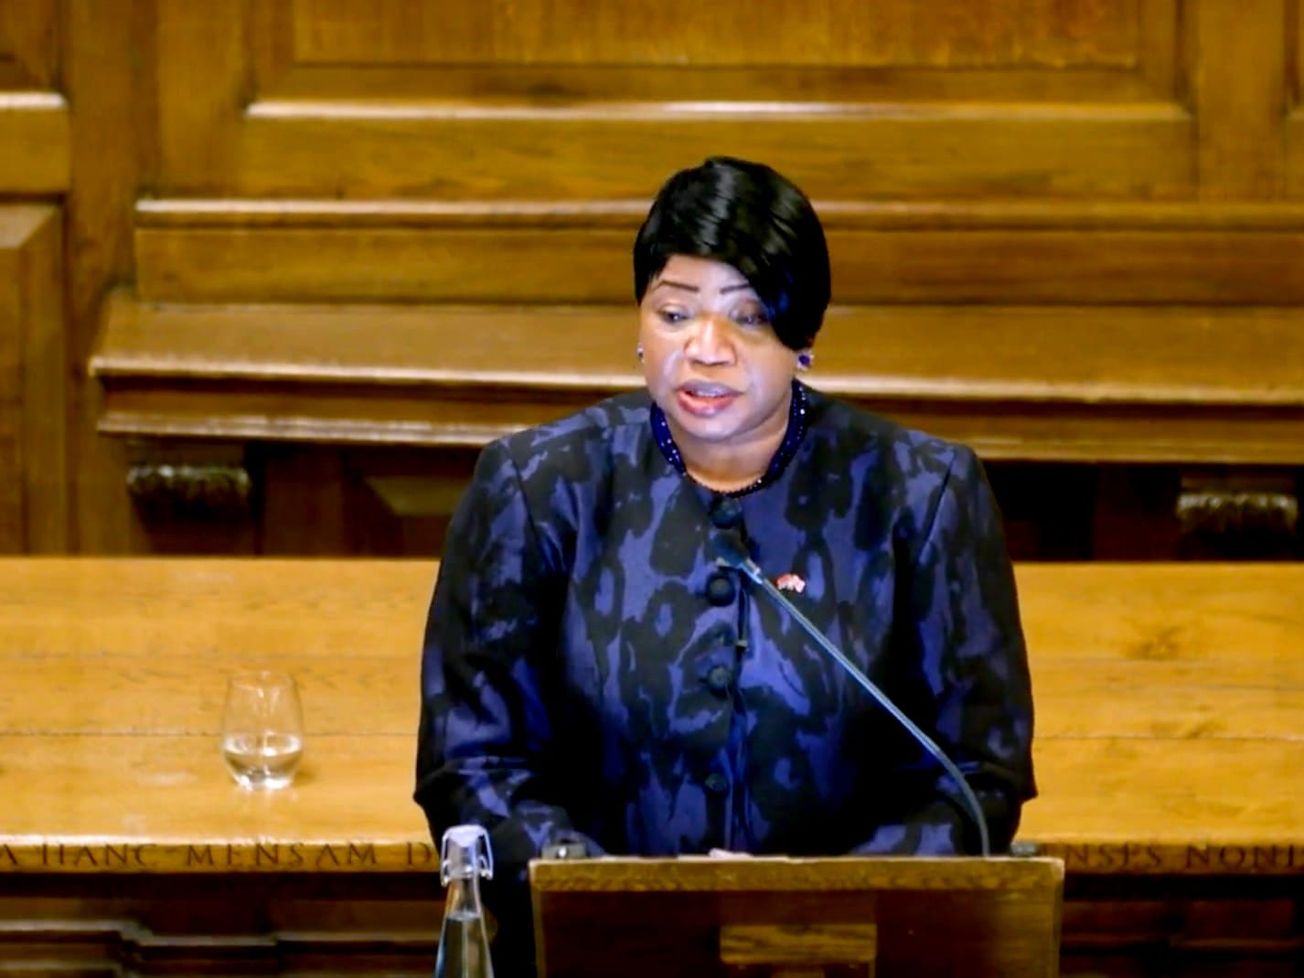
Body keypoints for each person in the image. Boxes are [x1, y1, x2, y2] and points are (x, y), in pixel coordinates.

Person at [415, 156, 1035, 973]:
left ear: (802, 338)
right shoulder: (539, 489)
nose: (705, 351)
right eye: (674, 314)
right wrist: (628, 903)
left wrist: (801, 906)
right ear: (639, 325)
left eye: (747, 319)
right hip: (596, 958)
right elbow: (471, 763)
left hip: (848, 959)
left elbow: (976, 779)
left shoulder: (921, 496)